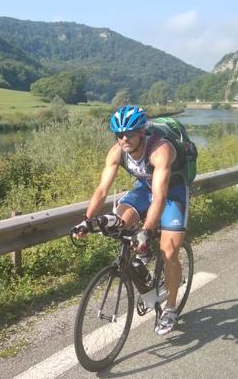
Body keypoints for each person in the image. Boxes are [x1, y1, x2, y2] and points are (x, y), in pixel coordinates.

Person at [73, 105, 190, 335]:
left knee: (168, 251)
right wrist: (86, 220)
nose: (123, 138)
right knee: (117, 222)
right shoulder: (117, 151)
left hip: (172, 192)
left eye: (129, 133)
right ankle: (141, 255)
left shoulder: (160, 150)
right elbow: (102, 190)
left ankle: (171, 308)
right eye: (119, 134)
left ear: (141, 132)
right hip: (144, 188)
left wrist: (146, 230)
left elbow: (160, 196)